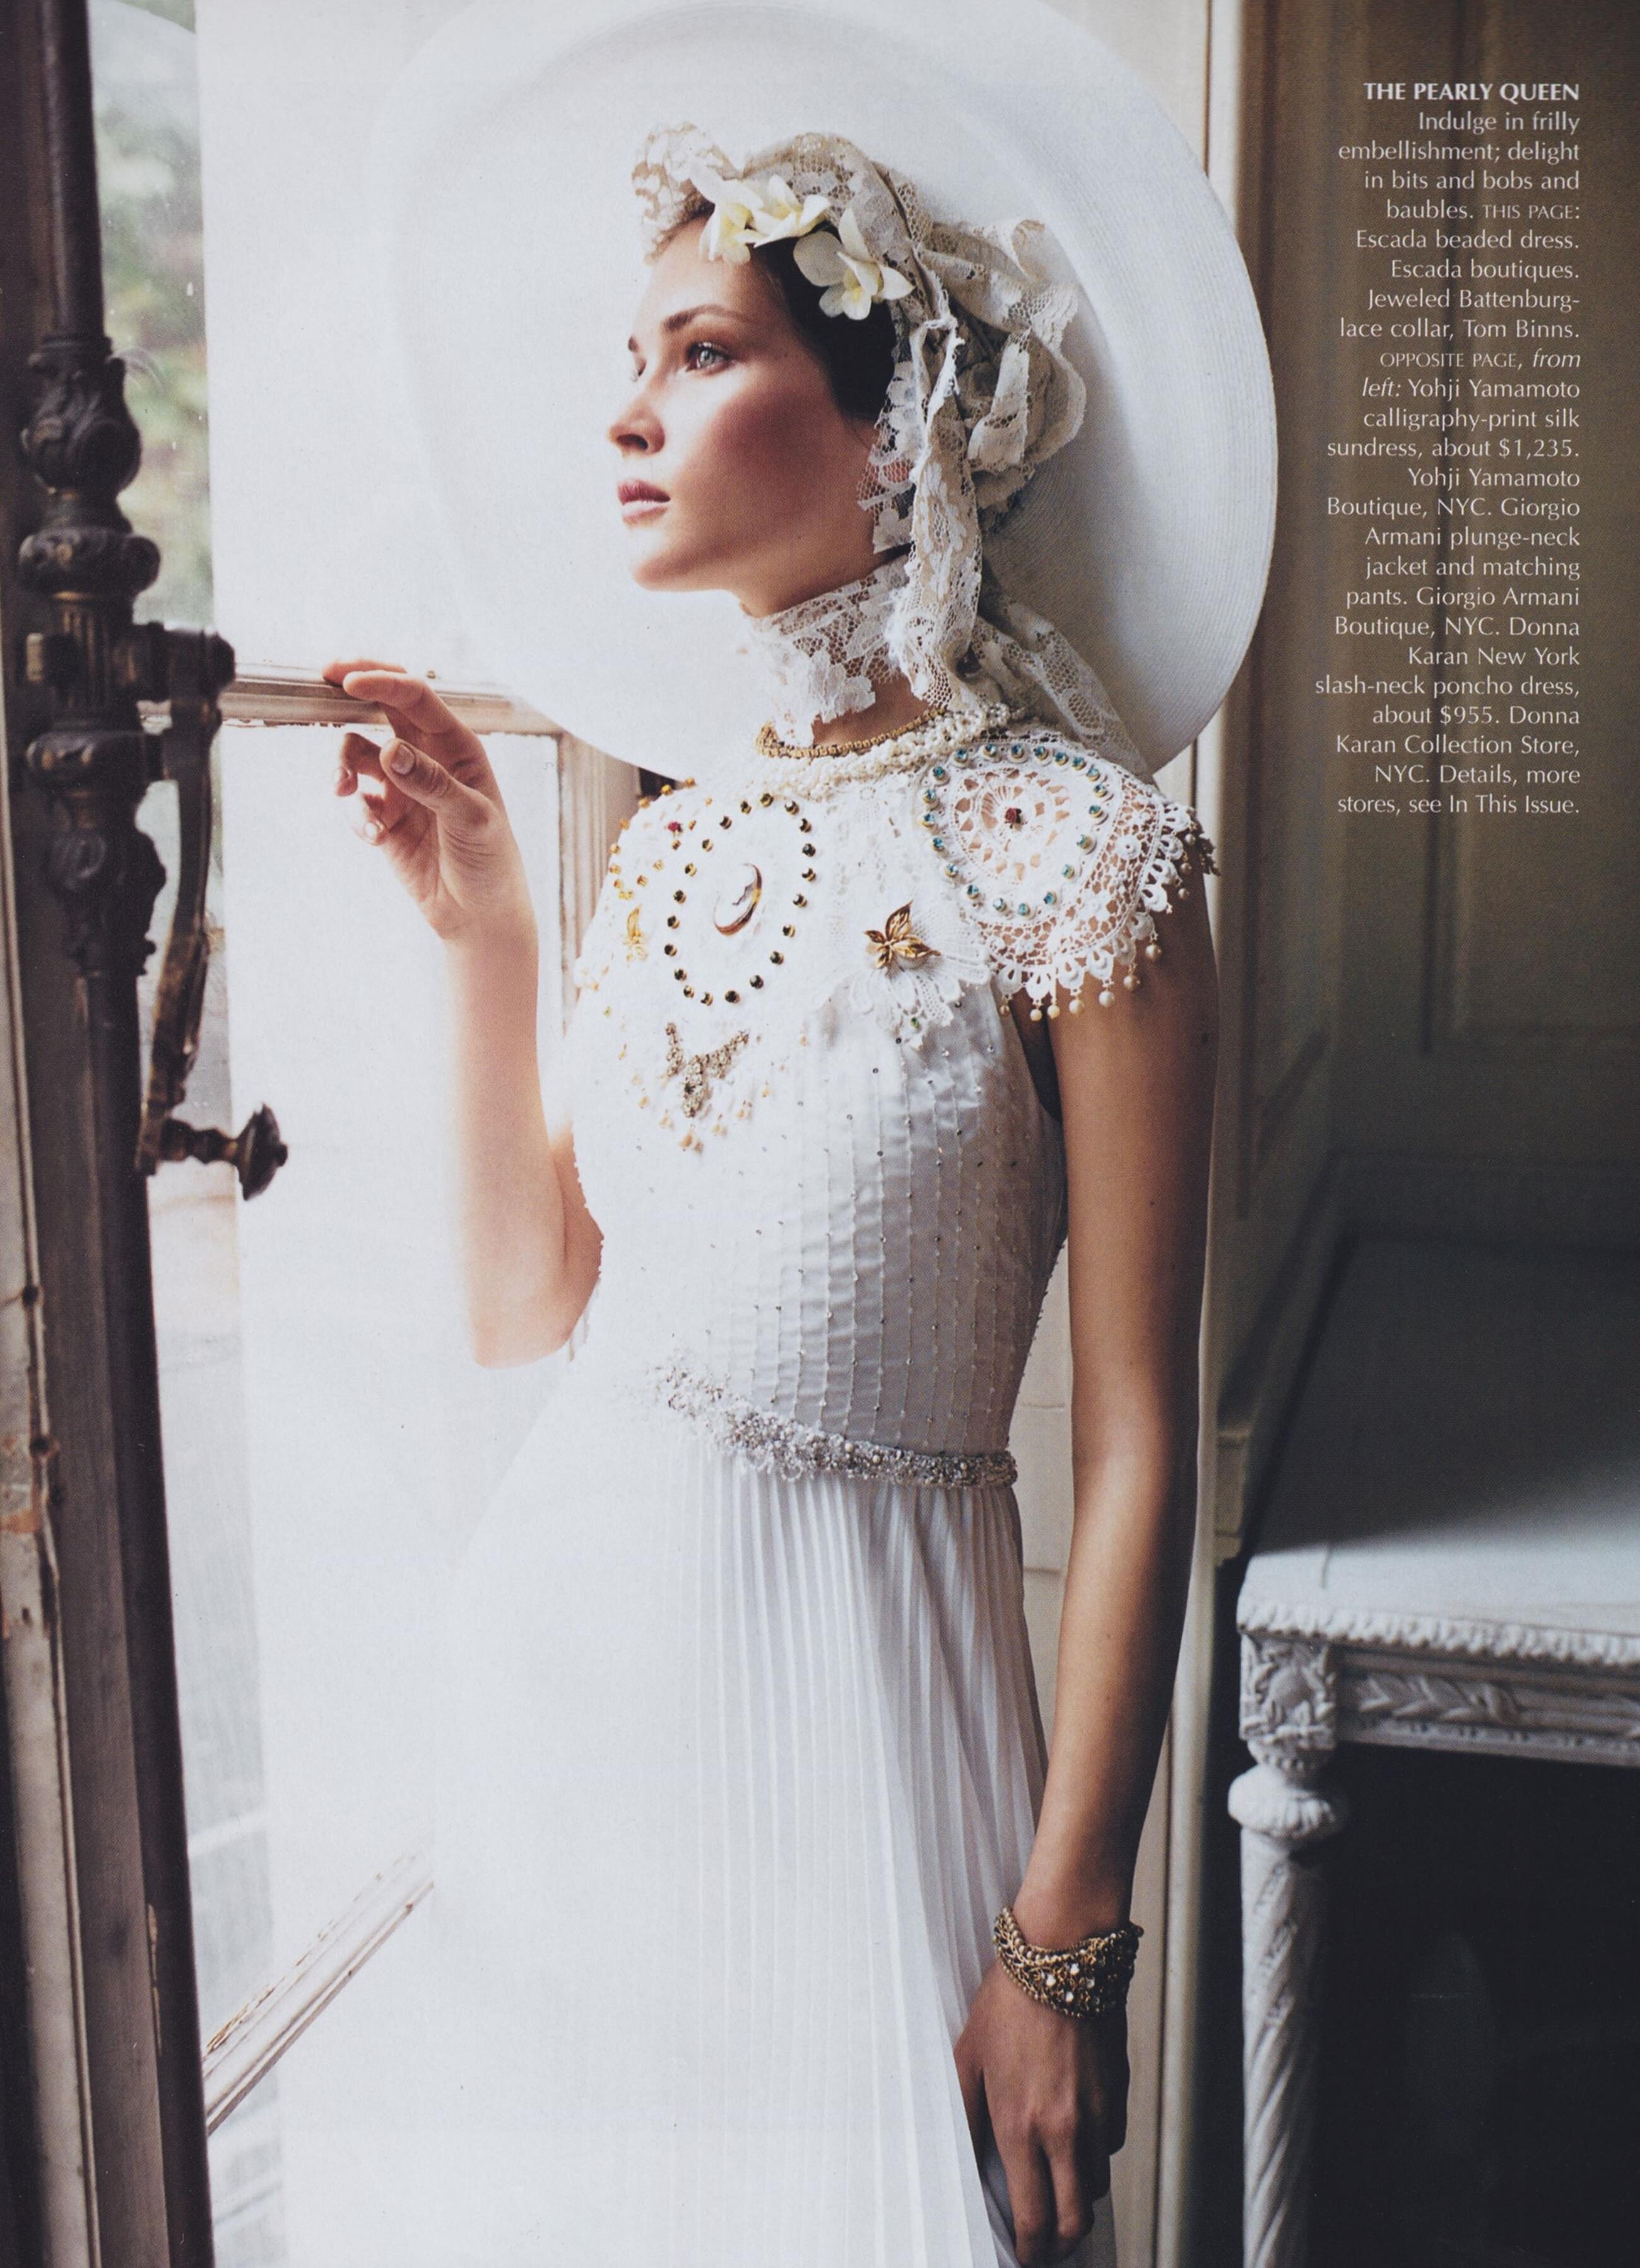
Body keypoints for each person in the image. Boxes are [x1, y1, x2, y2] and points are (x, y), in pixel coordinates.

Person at [327, 88, 1270, 2268]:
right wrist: (485, 930)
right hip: (573, 1736)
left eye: (703, 351)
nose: (629, 412)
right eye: (632, 359)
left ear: (892, 429)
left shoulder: (1083, 854)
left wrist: (1064, 1940)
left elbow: (1140, 1441)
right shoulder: (673, 848)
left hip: (870, 1760)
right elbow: (532, 1305)